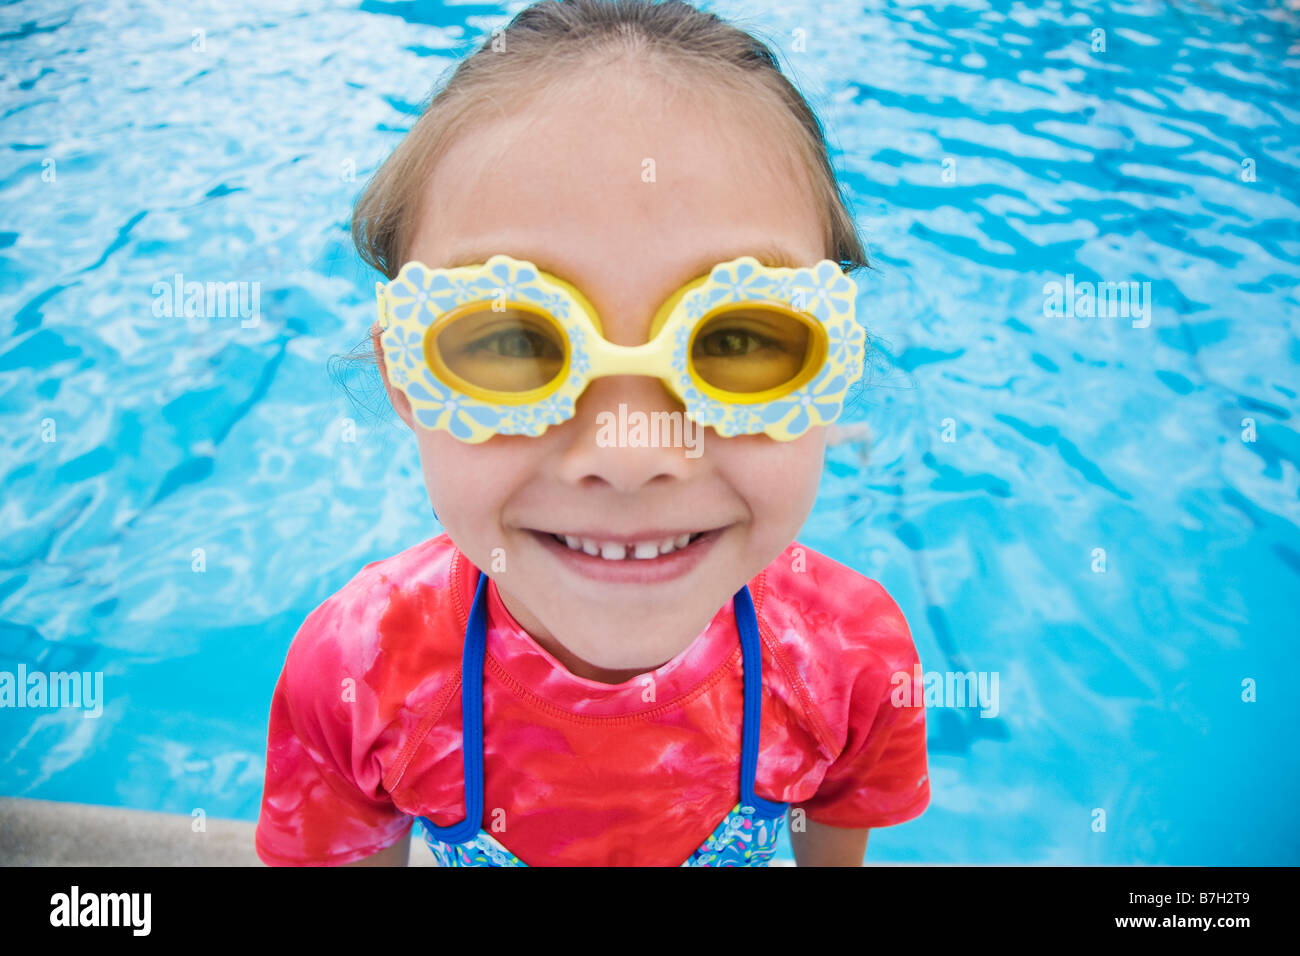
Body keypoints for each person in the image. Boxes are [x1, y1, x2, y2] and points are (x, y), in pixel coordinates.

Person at [255, 0, 929, 867]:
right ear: (404, 380)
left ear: (831, 371)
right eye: (511, 340)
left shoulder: (853, 656)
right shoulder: (356, 674)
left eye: (736, 339)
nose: (627, 456)